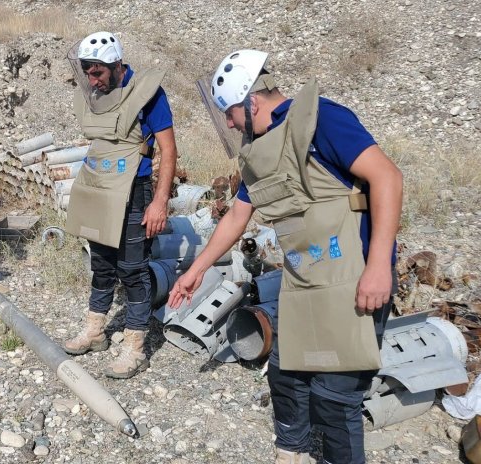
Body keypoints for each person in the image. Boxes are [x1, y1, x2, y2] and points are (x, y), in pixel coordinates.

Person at [168, 50, 403, 464]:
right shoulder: (261, 149)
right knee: (286, 372)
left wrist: (380, 266)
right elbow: (238, 216)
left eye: (229, 113)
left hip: (355, 274)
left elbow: (387, 177)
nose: (228, 123)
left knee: (335, 396)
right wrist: (196, 270)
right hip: (303, 278)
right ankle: (290, 452)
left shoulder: (321, 119)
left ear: (251, 102)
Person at [63, 31, 177, 379]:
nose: (92, 80)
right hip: (99, 187)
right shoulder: (94, 93)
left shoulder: (149, 94)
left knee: (132, 268)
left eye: (97, 72)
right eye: (87, 72)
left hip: (134, 190)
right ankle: (96, 330)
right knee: (101, 263)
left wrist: (159, 202)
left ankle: (135, 346)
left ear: (117, 65)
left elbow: (169, 150)